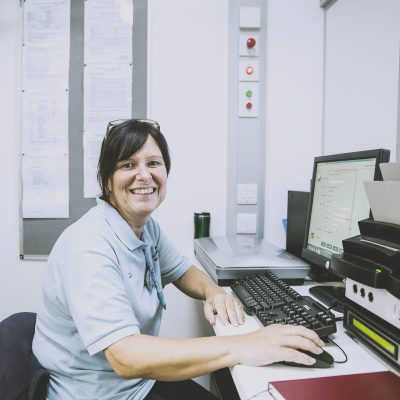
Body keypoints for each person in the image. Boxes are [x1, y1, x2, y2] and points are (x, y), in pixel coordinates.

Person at [33, 119, 325, 400]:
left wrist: (213, 291)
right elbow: (125, 357)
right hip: (99, 393)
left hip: (137, 384)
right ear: (108, 181)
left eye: (153, 163)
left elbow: (182, 271)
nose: (144, 175)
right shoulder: (89, 246)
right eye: (127, 165)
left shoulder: (144, 228)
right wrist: (241, 346)